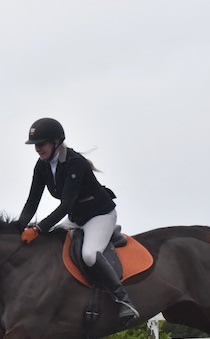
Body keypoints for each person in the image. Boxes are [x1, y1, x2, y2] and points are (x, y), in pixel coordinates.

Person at [18, 117, 139, 325]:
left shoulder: (75, 163)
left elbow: (65, 204)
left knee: (90, 255)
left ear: (56, 142)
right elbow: (32, 201)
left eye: (41, 144)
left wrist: (38, 228)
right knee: (51, 244)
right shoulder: (42, 166)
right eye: (35, 145)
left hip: (99, 215)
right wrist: (18, 227)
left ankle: (124, 301)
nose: (38, 149)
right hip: (77, 218)